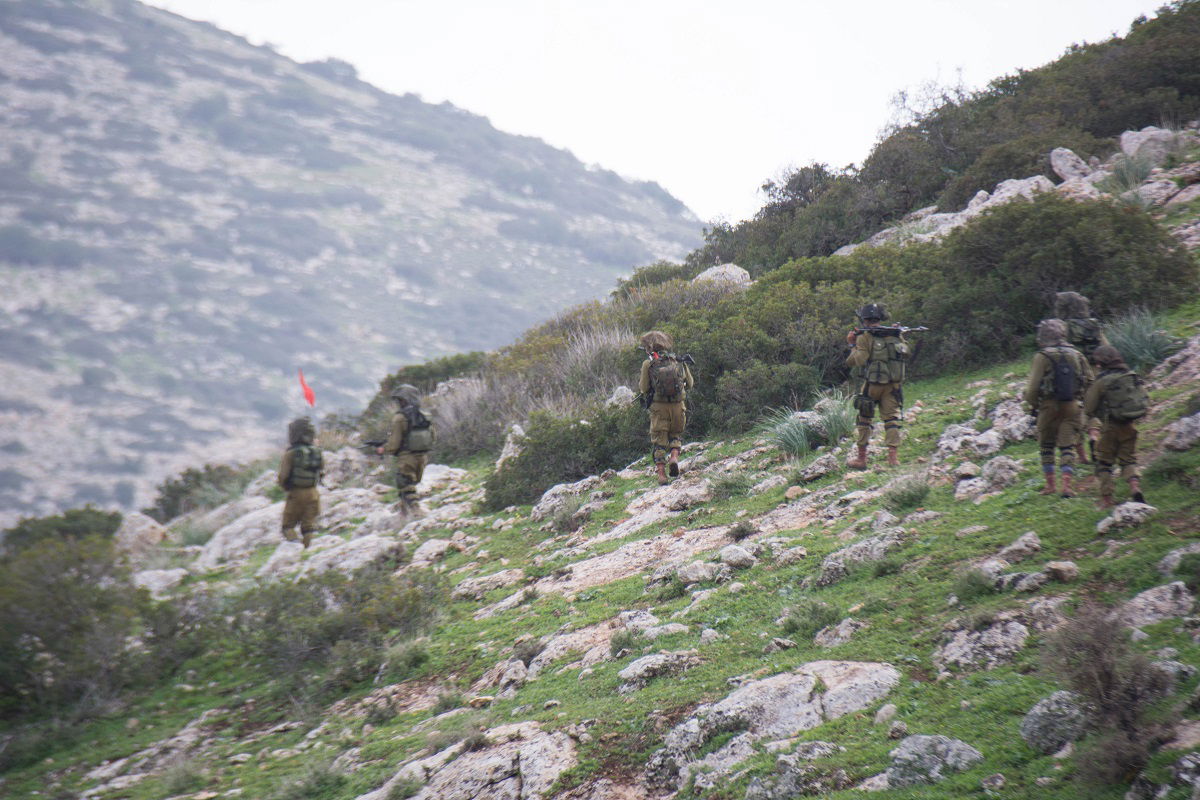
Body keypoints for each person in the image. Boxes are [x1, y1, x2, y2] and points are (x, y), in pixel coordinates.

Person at [1023, 319, 1094, 498]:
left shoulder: (1042, 356)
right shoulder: (1077, 355)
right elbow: (1090, 381)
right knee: (1067, 445)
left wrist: (1034, 405)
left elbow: (1032, 388)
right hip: (1072, 406)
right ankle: (1067, 485)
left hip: (1048, 406)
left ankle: (1050, 485)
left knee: (1046, 445)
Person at [1083, 345, 1148, 509]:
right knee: (1128, 460)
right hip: (1129, 425)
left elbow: (1089, 407)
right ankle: (1134, 487)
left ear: (1100, 363)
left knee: (1104, 463)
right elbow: (1144, 398)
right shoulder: (1130, 375)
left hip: (1109, 427)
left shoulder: (1101, 381)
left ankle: (1107, 500)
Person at [845, 303, 908, 469]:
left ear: (864, 320)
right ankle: (893, 459)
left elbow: (858, 360)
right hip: (893, 386)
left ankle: (861, 459)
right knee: (891, 419)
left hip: (872, 386)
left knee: (865, 419)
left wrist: (852, 345)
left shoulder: (865, 336)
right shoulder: (894, 334)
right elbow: (905, 351)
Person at [1055, 291, 1110, 464]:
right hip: (1095, 370)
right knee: (1094, 407)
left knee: (1074, 412)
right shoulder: (1093, 325)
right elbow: (1106, 347)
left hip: (1073, 373)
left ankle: (1082, 456)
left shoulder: (1063, 327)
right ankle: (1095, 435)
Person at [638, 331, 694, 485]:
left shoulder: (648, 364)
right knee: (675, 435)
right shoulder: (678, 360)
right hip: (678, 406)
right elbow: (690, 384)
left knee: (659, 441)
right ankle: (674, 457)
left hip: (658, 408)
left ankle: (662, 475)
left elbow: (643, 388)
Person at [376, 384, 434, 514]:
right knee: (410, 486)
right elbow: (433, 436)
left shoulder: (400, 418)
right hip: (422, 458)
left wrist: (383, 449)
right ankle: (404, 516)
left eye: (400, 400)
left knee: (406, 488)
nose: (398, 403)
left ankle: (416, 514)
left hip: (406, 458)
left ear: (404, 400)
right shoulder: (425, 415)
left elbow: (393, 445)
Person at [278, 416, 323, 548]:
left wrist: (286, 488)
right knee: (308, 528)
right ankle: (307, 552)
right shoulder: (317, 452)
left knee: (287, 527)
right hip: (314, 493)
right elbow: (321, 471)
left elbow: (283, 476)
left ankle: (295, 549)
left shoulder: (291, 454)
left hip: (296, 493)